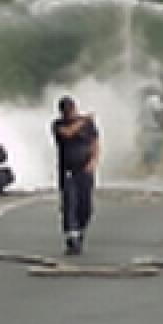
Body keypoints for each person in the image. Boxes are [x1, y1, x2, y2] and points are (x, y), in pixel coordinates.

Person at [51, 96, 100, 255]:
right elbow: (68, 133)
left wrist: (93, 161)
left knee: (85, 206)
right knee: (69, 203)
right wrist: (84, 119)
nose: (69, 114)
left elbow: (95, 143)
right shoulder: (58, 125)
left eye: (71, 110)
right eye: (66, 112)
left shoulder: (88, 125)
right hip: (68, 171)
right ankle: (72, 238)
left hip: (85, 170)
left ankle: (80, 231)